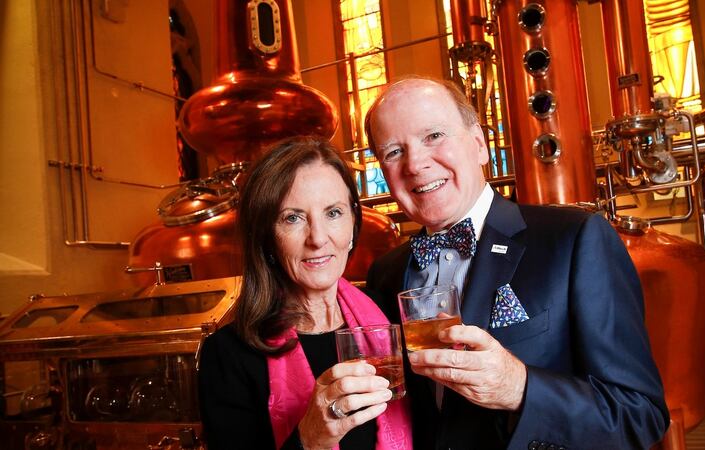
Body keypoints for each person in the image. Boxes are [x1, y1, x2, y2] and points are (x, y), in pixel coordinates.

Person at [364, 77, 670, 450]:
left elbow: (639, 414)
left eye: (433, 136)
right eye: (394, 151)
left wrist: (520, 388)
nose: (416, 164)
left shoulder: (574, 239)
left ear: (479, 145)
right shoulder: (386, 272)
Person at [198, 136, 413, 449]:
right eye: (293, 217)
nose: (318, 238)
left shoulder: (386, 315)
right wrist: (309, 439)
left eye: (333, 212)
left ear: (353, 221)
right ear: (267, 237)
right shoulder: (229, 354)